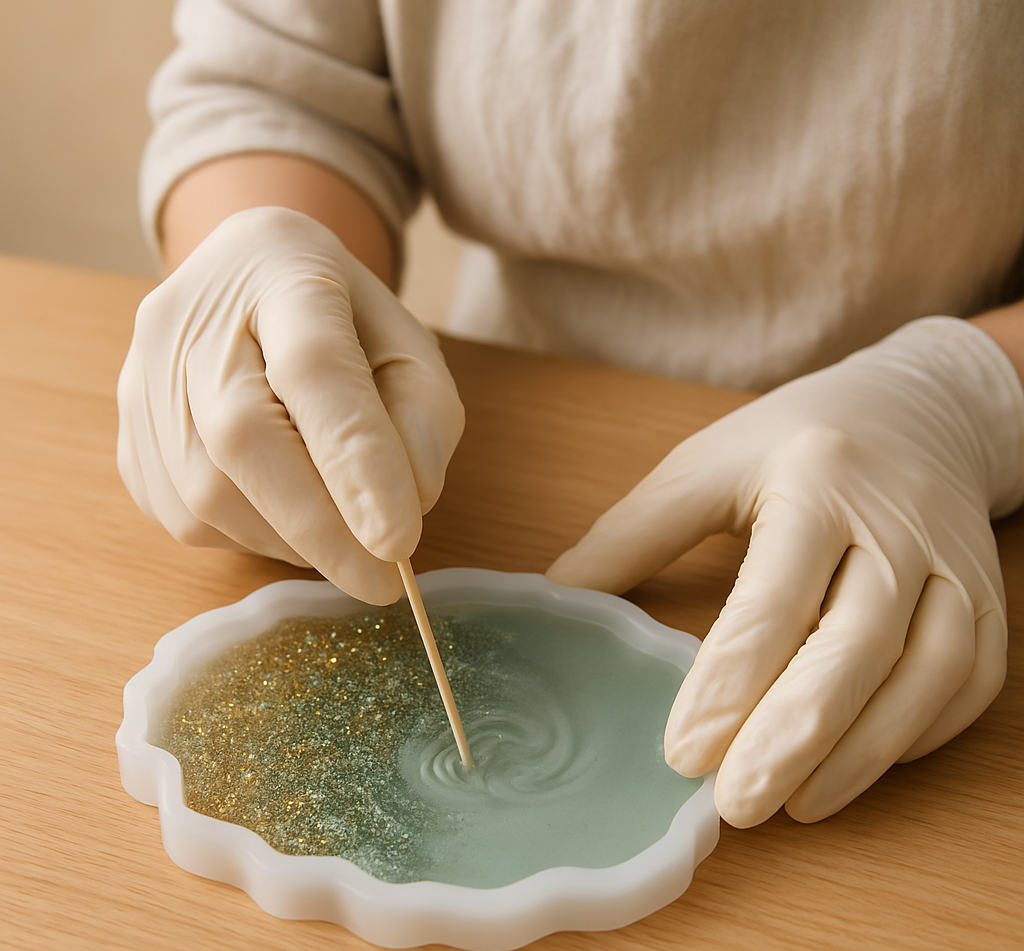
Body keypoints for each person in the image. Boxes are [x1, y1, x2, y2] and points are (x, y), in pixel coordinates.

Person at [118, 0, 1024, 829]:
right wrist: (271, 296)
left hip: (922, 517)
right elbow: (280, 87)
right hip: (506, 449)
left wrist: (963, 392)